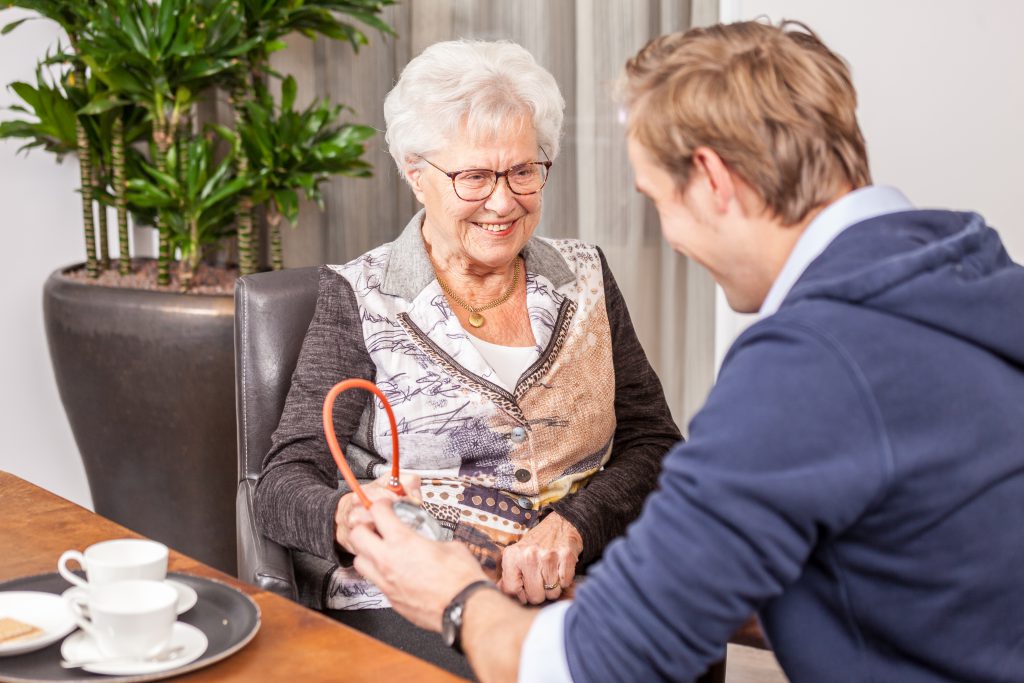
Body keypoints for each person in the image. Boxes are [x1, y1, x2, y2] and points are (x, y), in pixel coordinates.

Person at [346, 19, 1024, 683]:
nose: (670, 236)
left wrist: (456, 596)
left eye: (657, 199)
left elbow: (582, 665)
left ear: (711, 177)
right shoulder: (980, 274)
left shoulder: (804, 369)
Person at [253, 39, 680, 674]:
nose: (503, 202)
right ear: (414, 172)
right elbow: (283, 480)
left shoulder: (585, 275)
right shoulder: (361, 296)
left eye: (523, 171)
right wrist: (351, 517)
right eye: (473, 176)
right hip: (416, 599)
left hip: (589, 577)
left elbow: (654, 440)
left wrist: (572, 527)